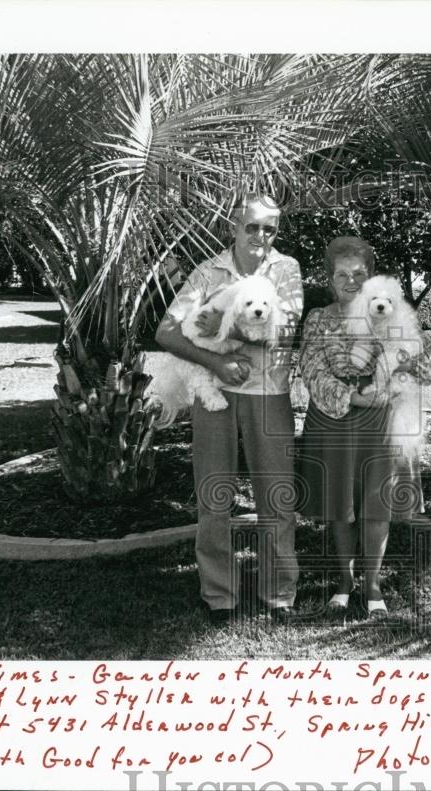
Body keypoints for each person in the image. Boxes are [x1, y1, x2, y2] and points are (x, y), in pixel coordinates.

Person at [155, 194, 303, 625]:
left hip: (269, 394)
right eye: (252, 227)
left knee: (277, 495)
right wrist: (217, 359)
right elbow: (167, 331)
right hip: (214, 395)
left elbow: (284, 329)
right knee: (214, 496)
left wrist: (218, 322)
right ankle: (219, 593)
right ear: (234, 227)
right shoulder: (207, 272)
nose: (260, 236)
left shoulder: (286, 269)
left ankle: (279, 592)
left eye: (269, 229)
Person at [296, 236, 431, 620]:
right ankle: (344, 584)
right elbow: (311, 370)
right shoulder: (318, 318)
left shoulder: (390, 311)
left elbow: (422, 358)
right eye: (341, 274)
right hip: (334, 421)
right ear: (328, 278)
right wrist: (354, 397)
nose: (350, 281)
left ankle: (373, 585)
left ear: (371, 277)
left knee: (376, 507)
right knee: (340, 507)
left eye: (359, 274)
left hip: (381, 424)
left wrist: (404, 380)